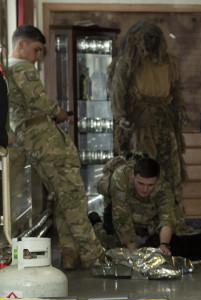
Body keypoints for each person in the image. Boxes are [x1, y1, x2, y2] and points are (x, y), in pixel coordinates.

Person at [6, 25, 104, 269]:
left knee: (62, 199)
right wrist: (57, 111)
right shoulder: (21, 67)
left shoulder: (6, 69)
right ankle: (94, 256)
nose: (38, 57)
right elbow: (36, 100)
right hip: (45, 139)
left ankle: (70, 254)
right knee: (73, 196)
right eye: (36, 50)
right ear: (21, 45)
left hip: (30, 139)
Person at [108, 20, 190, 232]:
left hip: (165, 119)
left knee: (172, 170)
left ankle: (174, 219)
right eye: (147, 38)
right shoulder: (128, 62)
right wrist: (120, 117)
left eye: (155, 38)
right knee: (145, 169)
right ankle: (147, 221)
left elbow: (176, 88)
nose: (151, 42)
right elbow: (118, 90)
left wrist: (180, 108)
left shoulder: (168, 62)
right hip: (141, 122)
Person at [95, 156, 177, 255]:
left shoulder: (163, 185)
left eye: (150, 185)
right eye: (141, 183)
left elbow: (167, 216)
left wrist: (164, 245)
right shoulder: (121, 177)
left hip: (147, 211)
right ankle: (95, 223)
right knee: (113, 246)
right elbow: (121, 218)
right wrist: (134, 254)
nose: (145, 189)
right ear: (133, 175)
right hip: (120, 208)